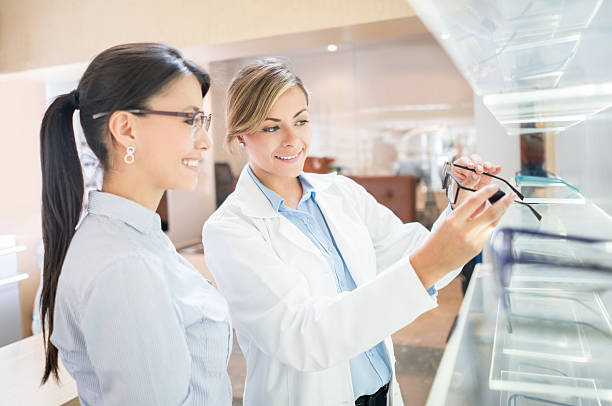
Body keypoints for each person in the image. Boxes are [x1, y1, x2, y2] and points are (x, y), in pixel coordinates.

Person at [202, 59, 512, 406]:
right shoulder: (229, 230)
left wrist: (464, 205)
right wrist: (429, 263)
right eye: (272, 127)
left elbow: (419, 254)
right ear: (241, 133)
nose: (293, 139)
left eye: (301, 121)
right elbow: (303, 339)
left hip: (382, 392)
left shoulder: (341, 192)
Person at [39, 43, 232, 405]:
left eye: (203, 121)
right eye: (190, 120)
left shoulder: (133, 239)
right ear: (126, 129)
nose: (205, 141)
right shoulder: (125, 267)